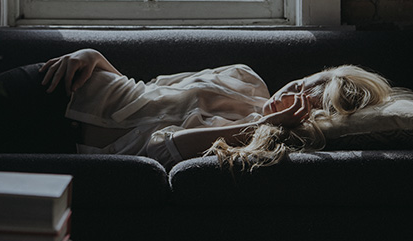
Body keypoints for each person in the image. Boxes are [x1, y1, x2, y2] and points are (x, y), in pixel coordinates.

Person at [37, 48, 392, 171]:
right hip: (65, 86)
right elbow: (151, 88)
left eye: (301, 103)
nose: (287, 95)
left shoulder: (260, 141)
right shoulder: (245, 77)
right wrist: (94, 58)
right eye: (297, 85)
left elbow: (161, 148)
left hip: (59, 145)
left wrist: (267, 124)